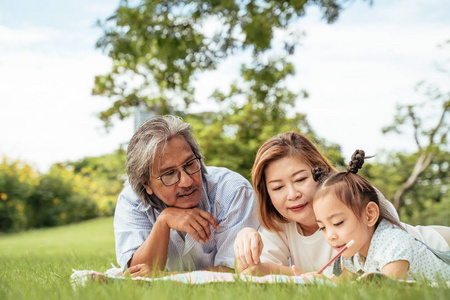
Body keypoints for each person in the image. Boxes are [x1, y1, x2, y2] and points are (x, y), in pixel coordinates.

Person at [234, 132, 450, 277]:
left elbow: (389, 269)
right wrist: (245, 241)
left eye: (300, 180)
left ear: (321, 173)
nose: (292, 194)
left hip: (437, 247)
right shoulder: (280, 224)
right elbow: (255, 275)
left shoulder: (355, 197)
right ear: (267, 194)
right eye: (278, 188)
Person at [114, 115, 259, 276]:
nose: (187, 181)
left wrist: (168, 278)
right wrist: (163, 222)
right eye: (169, 174)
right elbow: (136, 274)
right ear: (146, 184)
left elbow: (238, 271)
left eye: (190, 164)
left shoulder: (232, 190)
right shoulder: (131, 201)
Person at [293, 150, 450, 282]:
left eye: (338, 223)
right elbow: (339, 289)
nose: (330, 236)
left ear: (369, 215)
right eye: (322, 228)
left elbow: (389, 291)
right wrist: (317, 282)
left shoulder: (392, 243)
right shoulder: (352, 252)